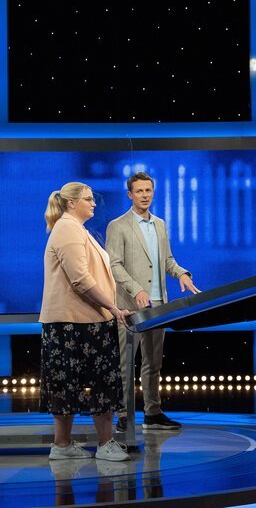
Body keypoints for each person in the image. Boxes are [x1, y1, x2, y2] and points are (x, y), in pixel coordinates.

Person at [39, 182, 132, 462]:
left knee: (73, 383)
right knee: (78, 383)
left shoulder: (76, 229)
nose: (94, 203)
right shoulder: (67, 228)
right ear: (71, 203)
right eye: (88, 199)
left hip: (85, 320)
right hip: (73, 323)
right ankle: (100, 444)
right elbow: (80, 279)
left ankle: (65, 445)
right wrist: (114, 308)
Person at [105, 172, 200, 432]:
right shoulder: (118, 225)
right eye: (139, 191)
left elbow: (167, 260)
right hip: (130, 305)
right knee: (127, 363)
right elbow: (114, 265)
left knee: (153, 362)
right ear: (130, 195)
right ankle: (125, 414)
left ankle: (153, 411)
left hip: (158, 304)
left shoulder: (160, 224)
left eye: (148, 190)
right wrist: (136, 290)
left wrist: (181, 273)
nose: (144, 195)